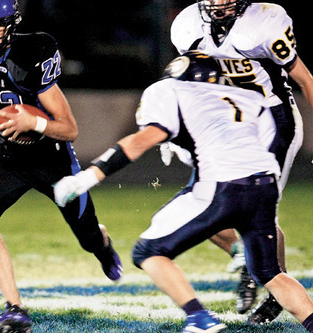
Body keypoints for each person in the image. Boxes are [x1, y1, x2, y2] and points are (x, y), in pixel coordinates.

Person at [54, 51, 313, 333]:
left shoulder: (169, 89)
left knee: (148, 251)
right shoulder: (247, 97)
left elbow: (142, 140)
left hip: (222, 186)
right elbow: (257, 143)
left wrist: (87, 177)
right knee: (271, 273)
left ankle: (200, 318)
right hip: (264, 185)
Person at [0, 1, 123, 332]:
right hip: (10, 158)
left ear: (11, 23)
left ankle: (103, 247)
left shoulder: (32, 54)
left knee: (88, 238)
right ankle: (14, 308)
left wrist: (33, 120)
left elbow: (69, 128)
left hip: (53, 160)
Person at [169, 0, 313, 321]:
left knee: (252, 209)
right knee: (201, 207)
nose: (217, 3)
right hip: (228, 127)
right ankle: (254, 266)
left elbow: (305, 79)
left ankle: (272, 281)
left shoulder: (264, 22)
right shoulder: (187, 25)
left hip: (273, 122)